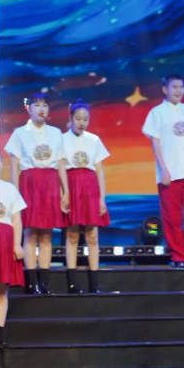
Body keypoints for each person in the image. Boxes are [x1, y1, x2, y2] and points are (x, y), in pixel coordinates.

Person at [5, 94, 69, 294]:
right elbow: (15, 166)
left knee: (47, 235)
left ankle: (45, 282)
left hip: (50, 183)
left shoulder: (56, 133)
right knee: (30, 234)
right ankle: (32, 283)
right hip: (29, 183)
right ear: (29, 109)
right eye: (37, 105)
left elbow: (60, 164)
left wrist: (65, 191)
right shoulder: (20, 133)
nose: (41, 109)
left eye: (45, 105)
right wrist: (15, 194)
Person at [142, 75, 184, 269]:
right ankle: (178, 255)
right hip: (169, 174)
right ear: (165, 89)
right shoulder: (157, 113)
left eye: (181, 86)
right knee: (172, 217)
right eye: (174, 87)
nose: (179, 90)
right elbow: (155, 143)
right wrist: (163, 170)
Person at [63, 99, 110, 294]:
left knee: (92, 236)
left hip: (90, 189)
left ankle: (95, 284)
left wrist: (102, 198)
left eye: (85, 119)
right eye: (78, 118)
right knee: (72, 235)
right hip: (72, 186)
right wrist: (63, 194)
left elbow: (100, 171)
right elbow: (59, 170)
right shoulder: (61, 140)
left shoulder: (94, 140)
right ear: (70, 118)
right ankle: (73, 283)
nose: (82, 122)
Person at [0, 149, 26, 354]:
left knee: (1, 291)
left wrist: (17, 244)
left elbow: (17, 220)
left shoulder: (10, 189)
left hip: (4, 241)